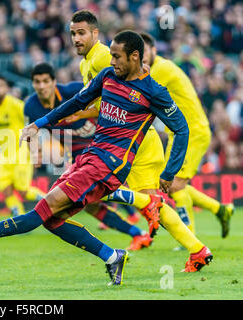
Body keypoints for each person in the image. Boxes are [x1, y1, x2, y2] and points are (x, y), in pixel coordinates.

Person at [0, 31, 195, 286]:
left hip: (109, 166)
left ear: (135, 56)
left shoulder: (154, 92)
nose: (111, 61)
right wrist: (39, 123)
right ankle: (112, 256)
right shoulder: (108, 76)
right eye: (110, 55)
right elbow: (77, 102)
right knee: (52, 220)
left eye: (116, 56)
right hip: (89, 157)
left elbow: (182, 129)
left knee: (41, 211)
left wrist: (170, 173)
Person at [65, 10, 213, 271]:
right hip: (126, 141)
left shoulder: (102, 59)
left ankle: (154, 232)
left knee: (92, 189)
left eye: (81, 33)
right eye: (73, 33)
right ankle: (198, 250)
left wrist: (78, 113)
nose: (76, 38)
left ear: (95, 34)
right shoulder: (86, 63)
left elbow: (123, 97)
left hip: (130, 143)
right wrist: (85, 114)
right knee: (151, 203)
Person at [25, 62, 152, 251]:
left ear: (54, 82)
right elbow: (31, 134)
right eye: (37, 82)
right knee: (91, 205)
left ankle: (146, 206)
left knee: (98, 195)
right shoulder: (31, 106)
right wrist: (35, 151)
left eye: (45, 81)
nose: (42, 86)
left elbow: (107, 102)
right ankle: (138, 232)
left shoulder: (72, 91)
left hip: (103, 148)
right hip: (79, 155)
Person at [140, 32, 234, 238]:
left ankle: (189, 238)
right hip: (179, 133)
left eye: (145, 51)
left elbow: (139, 94)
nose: (142, 57)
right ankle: (220, 209)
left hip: (190, 132)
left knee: (173, 185)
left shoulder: (161, 69)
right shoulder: (155, 69)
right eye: (138, 53)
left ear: (154, 50)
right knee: (168, 184)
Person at [0, 75, 45, 217]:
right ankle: (19, 219)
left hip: (21, 153)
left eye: (1, 85)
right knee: (5, 190)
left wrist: (37, 148)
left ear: (7, 88)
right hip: (4, 156)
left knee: (23, 191)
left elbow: (32, 123)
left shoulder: (16, 105)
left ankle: (50, 200)